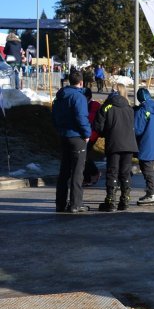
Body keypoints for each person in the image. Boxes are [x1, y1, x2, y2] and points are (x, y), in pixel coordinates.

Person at [94, 84, 139, 212]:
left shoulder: (107, 106)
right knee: (125, 172)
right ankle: (125, 200)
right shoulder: (129, 107)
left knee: (112, 172)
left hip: (114, 143)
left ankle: (111, 201)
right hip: (129, 144)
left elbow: (98, 126)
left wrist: (107, 133)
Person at [52, 70, 92, 213]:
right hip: (76, 137)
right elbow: (81, 117)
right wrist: (87, 133)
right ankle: (76, 204)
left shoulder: (60, 96)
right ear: (81, 82)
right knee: (77, 171)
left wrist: (60, 130)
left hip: (64, 135)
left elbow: (54, 116)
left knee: (64, 171)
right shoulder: (78, 97)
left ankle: (60, 203)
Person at [133, 88, 154, 206]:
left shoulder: (143, 110)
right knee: (148, 167)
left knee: (147, 168)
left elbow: (137, 129)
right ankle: (150, 192)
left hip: (146, 143)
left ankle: (151, 193)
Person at [82, 87, 101, 187]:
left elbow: (90, 119)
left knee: (84, 156)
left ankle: (92, 174)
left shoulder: (94, 106)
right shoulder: (87, 105)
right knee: (85, 155)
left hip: (92, 134)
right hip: (87, 134)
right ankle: (89, 175)